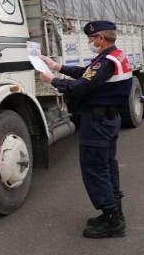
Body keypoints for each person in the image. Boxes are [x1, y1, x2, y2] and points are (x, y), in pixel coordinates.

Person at [39, 20, 132, 239]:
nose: (90, 42)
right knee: (107, 165)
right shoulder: (116, 56)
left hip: (98, 121)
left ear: (101, 38)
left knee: (95, 168)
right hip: (108, 118)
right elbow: (86, 73)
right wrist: (57, 67)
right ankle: (114, 211)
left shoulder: (106, 61)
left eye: (91, 38)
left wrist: (53, 80)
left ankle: (112, 220)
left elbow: (82, 86)